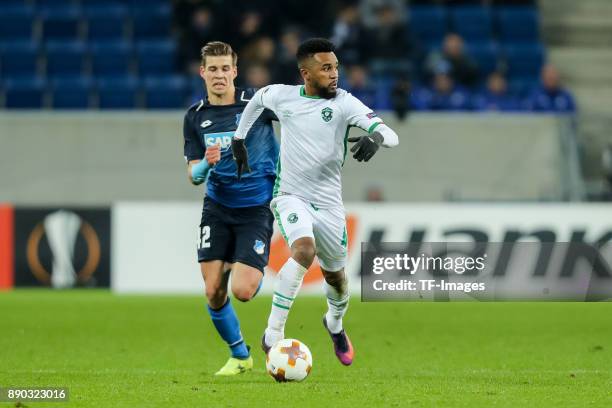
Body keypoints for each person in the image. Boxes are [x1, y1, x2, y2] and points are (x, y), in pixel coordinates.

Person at [232, 38, 399, 365]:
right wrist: (239, 139)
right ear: (306, 74)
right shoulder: (283, 96)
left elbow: (392, 134)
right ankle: (273, 333)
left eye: (336, 66)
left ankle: (334, 323)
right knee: (303, 250)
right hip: (290, 196)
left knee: (336, 279)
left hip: (330, 206)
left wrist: (376, 137)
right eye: (326, 68)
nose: (334, 74)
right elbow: (256, 100)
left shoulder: (344, 103)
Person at [182, 41, 279, 376]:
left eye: (225, 68)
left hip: (256, 208)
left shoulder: (258, 102)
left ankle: (233, 266)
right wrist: (206, 166)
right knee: (212, 291)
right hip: (218, 207)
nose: (220, 75)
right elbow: (193, 175)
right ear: (203, 72)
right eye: (213, 69)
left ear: (235, 71)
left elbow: (297, 115)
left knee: (243, 291)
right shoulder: (195, 117)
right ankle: (240, 356)